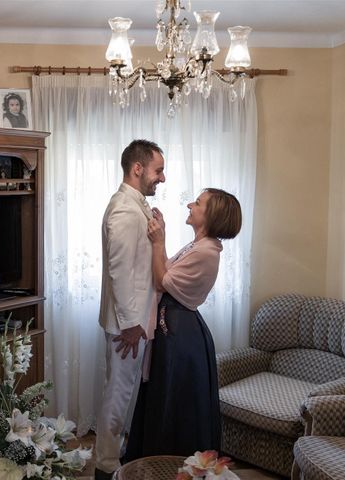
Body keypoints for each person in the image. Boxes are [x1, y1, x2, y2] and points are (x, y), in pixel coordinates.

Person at [124, 188, 242, 460]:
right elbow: (165, 272)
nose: (190, 204)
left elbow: (160, 280)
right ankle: (154, 460)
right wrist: (160, 241)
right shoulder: (198, 246)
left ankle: (170, 464)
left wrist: (157, 242)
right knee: (164, 397)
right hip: (175, 328)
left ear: (211, 215)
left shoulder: (207, 252)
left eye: (198, 203)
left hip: (180, 336)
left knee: (175, 402)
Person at [95, 140, 166, 480]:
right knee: (119, 394)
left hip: (134, 321)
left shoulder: (136, 206)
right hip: (129, 326)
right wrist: (130, 324)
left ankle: (113, 456)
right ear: (137, 169)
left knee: (123, 392)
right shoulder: (124, 209)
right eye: (158, 170)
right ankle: (106, 465)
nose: (162, 178)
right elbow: (119, 271)